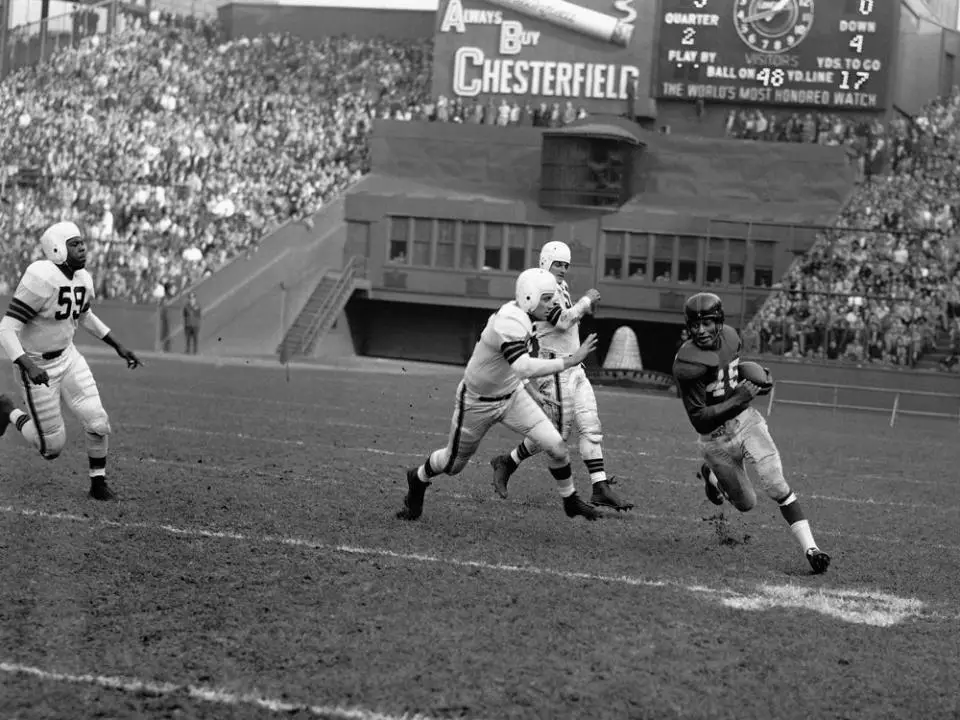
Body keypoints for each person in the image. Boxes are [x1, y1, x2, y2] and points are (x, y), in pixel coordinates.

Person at [397, 267, 602, 522]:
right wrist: (570, 361)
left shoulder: (525, 317)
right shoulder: (510, 320)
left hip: (511, 395)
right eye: (547, 298)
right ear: (530, 297)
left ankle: (570, 500)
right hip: (477, 402)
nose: (553, 303)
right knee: (453, 465)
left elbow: (513, 366)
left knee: (557, 446)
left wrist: (530, 392)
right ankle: (417, 478)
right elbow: (523, 365)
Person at [672, 292, 831, 574]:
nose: (701, 331)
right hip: (715, 441)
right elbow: (699, 420)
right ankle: (709, 474)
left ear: (719, 321)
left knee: (775, 483)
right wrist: (739, 397)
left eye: (707, 323)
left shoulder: (732, 337)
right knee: (747, 504)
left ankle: (811, 549)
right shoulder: (688, 363)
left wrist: (756, 379)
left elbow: (731, 372)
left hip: (746, 422)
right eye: (695, 325)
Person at [0, 221, 143, 501]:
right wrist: (29, 365)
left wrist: (118, 345)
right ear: (56, 248)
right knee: (50, 448)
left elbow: (84, 315)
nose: (83, 248)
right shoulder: (40, 276)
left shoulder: (82, 279)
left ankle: (98, 483)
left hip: (68, 357)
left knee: (98, 420)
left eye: (82, 242)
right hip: (37, 366)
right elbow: (6, 328)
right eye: (75, 244)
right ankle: (8, 411)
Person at [488, 241, 633, 511]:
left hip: (575, 366)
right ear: (545, 262)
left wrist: (586, 307)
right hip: (554, 368)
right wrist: (586, 301)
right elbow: (563, 320)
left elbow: (569, 321)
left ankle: (600, 486)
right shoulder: (541, 289)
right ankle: (506, 462)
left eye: (566, 265)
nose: (563, 269)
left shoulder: (560, 286)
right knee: (557, 434)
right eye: (558, 264)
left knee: (590, 424)